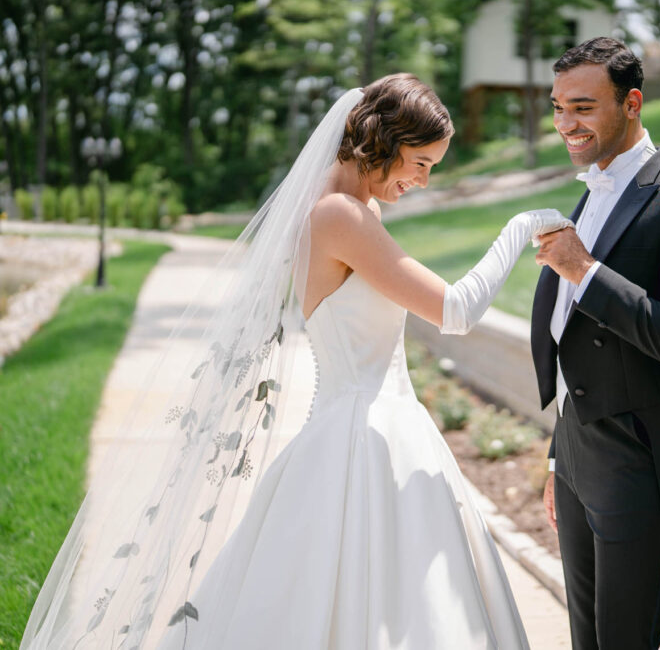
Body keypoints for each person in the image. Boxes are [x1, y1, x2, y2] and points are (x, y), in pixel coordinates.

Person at [21, 74, 571, 649]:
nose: (424, 181)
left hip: (376, 423)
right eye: (421, 162)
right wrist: (520, 227)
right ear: (383, 141)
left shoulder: (350, 212)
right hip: (362, 433)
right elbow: (455, 309)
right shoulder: (339, 217)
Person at [531, 38, 660, 650]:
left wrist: (585, 272)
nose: (567, 124)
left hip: (637, 456)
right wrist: (560, 454)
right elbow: (575, 339)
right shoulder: (592, 187)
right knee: (586, 636)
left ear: (633, 102)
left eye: (583, 107)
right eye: (560, 108)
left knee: (624, 637)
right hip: (578, 451)